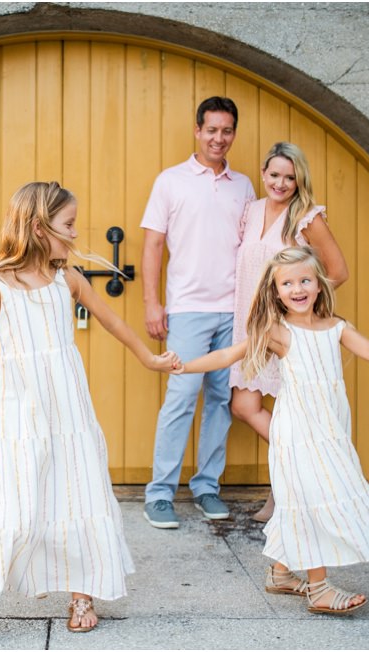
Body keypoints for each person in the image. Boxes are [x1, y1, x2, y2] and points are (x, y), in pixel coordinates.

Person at [0, 181, 182, 650]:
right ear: (38, 226)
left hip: (71, 410)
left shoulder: (66, 280)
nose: (74, 233)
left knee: (81, 493)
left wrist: (149, 359)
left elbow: (113, 323)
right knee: (17, 506)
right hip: (25, 416)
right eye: (68, 225)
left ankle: (82, 596)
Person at [177, 246, 369, 614]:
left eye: (304, 280)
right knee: (310, 499)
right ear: (276, 292)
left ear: (319, 285)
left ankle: (280, 574)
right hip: (296, 430)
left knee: (300, 499)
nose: (297, 288)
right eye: (287, 283)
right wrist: (184, 366)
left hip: (330, 428)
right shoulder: (279, 331)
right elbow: (228, 355)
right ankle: (318, 587)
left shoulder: (335, 327)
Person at [141, 96, 257, 527]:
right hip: (188, 308)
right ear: (197, 130)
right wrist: (154, 303)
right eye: (211, 130)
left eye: (226, 131)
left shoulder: (243, 186)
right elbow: (153, 245)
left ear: (233, 134)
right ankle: (159, 494)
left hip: (234, 311)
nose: (219, 138)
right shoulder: (170, 182)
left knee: (221, 401)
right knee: (180, 399)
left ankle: (207, 486)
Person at [231, 142, 349, 522]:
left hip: (283, 330)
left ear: (299, 180)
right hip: (248, 324)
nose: (281, 183)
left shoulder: (306, 218)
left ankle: (290, 488)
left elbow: (337, 271)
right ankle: (290, 488)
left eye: (289, 176)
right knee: (245, 406)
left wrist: (299, 306)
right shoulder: (251, 210)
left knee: (279, 412)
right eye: (275, 174)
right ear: (263, 173)